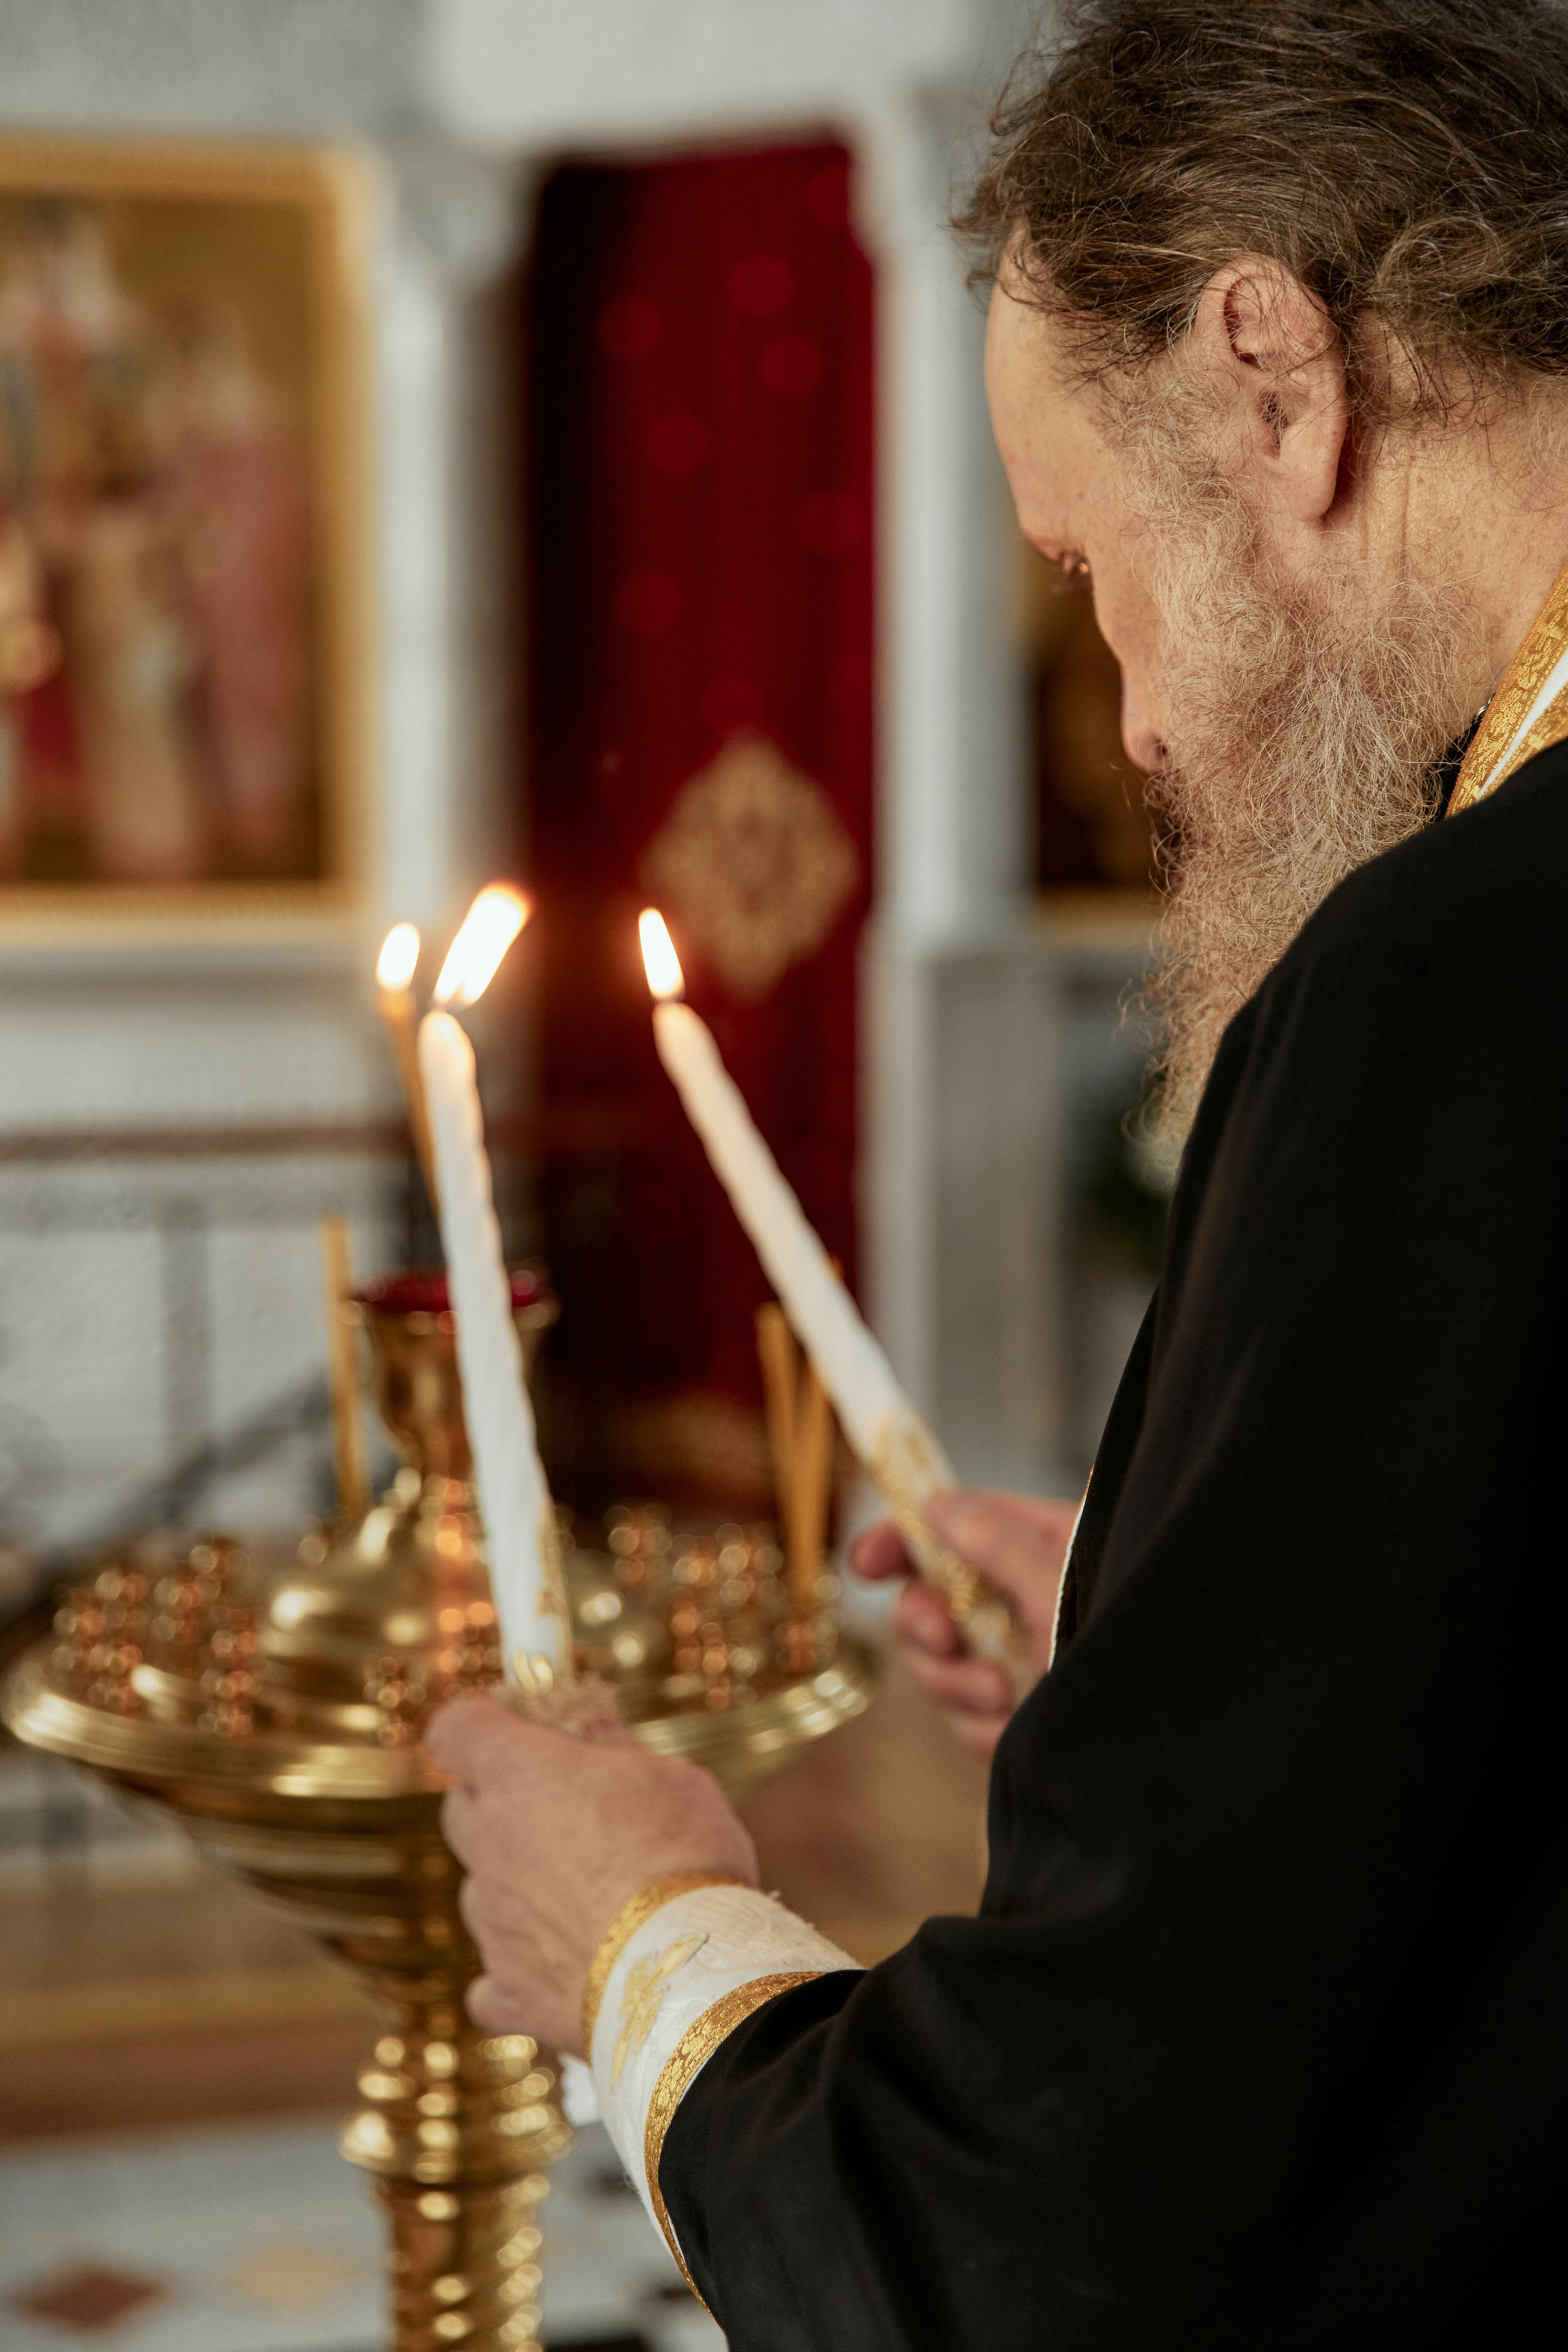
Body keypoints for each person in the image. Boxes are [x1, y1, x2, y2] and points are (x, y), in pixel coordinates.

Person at [430, 4, 1568, 2342]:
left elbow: (1078, 2213)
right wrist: (1193, 1643)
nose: (1133, 716)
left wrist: (639, 1934)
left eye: (1083, 561)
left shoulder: (1454, 977)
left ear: (1275, 375)